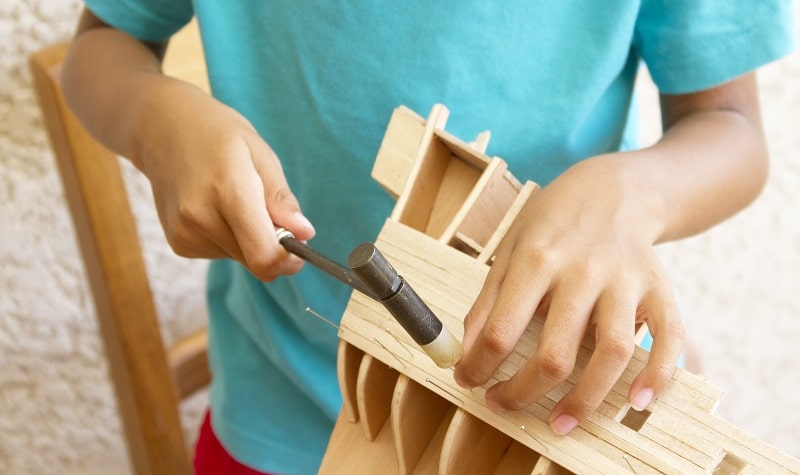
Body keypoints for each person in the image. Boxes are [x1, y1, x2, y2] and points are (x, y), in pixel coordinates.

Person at [61, 2, 795, 474]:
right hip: (282, 409)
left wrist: (630, 198)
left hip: (559, 408)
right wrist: (155, 121)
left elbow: (731, 130)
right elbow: (101, 47)